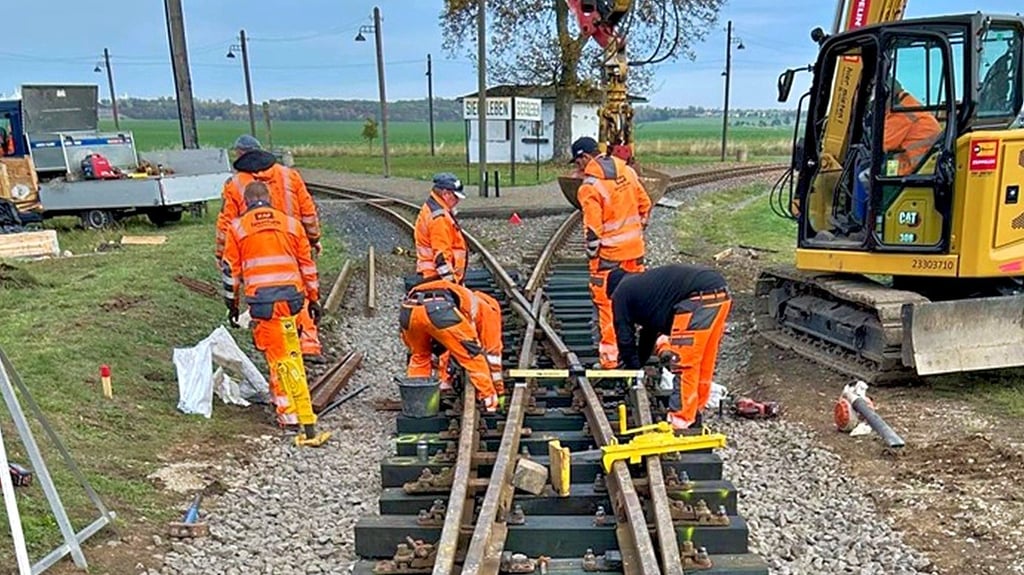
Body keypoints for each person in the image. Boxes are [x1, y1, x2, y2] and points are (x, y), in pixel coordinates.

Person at [221, 181, 329, 447]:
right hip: (293, 301)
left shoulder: (238, 228)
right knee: (291, 353)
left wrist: (232, 304)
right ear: (270, 199)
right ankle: (298, 407)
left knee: (278, 358)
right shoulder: (292, 224)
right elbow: (307, 266)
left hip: (263, 304)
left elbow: (230, 271)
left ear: (246, 202)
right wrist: (314, 299)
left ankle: (289, 415)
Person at [215, 135, 325, 361]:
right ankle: (308, 345)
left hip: (255, 250)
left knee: (264, 296)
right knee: (300, 292)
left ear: (240, 154)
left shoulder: (235, 184)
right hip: (293, 242)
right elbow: (308, 211)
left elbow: (226, 223)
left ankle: (275, 348)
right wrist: (313, 238)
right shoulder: (289, 175)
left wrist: (221, 253)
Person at [611, 264, 732, 431]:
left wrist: (632, 369)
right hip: (721, 294)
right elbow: (649, 333)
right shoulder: (643, 289)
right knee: (704, 360)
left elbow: (624, 337)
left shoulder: (620, 293)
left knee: (684, 364)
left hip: (696, 301)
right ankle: (696, 412)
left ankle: (679, 422)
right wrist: (638, 365)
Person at [570, 136, 652, 368]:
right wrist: (635, 232)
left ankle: (611, 359)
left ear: (585, 157)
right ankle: (648, 347)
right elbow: (645, 205)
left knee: (607, 304)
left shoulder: (589, 187)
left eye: (578, 162)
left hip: (608, 258)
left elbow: (593, 232)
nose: (579, 167)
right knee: (637, 299)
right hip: (634, 251)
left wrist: (592, 255)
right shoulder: (627, 171)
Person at [399, 278, 503, 412]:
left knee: (419, 356)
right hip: (440, 310)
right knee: (472, 356)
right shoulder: (490, 312)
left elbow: (450, 344)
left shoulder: (466, 298)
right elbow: (492, 353)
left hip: (409, 309)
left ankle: (418, 404)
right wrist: (499, 389)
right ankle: (489, 402)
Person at [414, 173, 469, 284]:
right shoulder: (439, 219)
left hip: (431, 274)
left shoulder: (432, 207)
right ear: (445, 194)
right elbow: (441, 255)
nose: (457, 201)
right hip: (436, 276)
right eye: (456, 196)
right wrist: (450, 282)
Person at [883, 80, 943, 176]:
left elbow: (884, 145)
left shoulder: (899, 111)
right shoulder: (907, 104)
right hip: (922, 163)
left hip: (914, 168)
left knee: (865, 176)